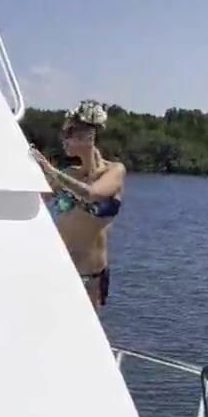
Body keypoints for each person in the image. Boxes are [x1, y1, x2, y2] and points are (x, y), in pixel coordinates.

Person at [31, 100, 126, 309]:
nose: (63, 140)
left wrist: (51, 171)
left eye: (69, 134)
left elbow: (93, 193)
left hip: (90, 277)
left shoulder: (114, 171)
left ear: (88, 137)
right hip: (58, 268)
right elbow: (37, 199)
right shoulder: (68, 174)